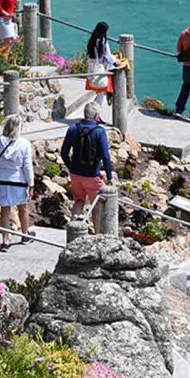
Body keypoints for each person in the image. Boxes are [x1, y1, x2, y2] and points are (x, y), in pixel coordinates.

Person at [61, 101, 112, 234]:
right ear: (96, 116)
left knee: (78, 201)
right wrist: (109, 177)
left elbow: (64, 152)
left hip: (75, 174)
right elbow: (106, 156)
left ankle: (72, 232)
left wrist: (70, 166)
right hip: (92, 175)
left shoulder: (73, 128)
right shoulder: (100, 132)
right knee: (96, 207)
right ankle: (97, 235)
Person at [0, 115, 35, 253]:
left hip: (1, 180)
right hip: (18, 180)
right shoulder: (24, 143)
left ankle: (5, 240)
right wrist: (31, 183)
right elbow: (27, 166)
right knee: (23, 207)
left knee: (5, 210)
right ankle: (25, 235)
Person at [84, 21, 115, 108]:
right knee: (103, 90)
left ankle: (94, 111)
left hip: (91, 69)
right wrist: (115, 60)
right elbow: (108, 55)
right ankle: (94, 112)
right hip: (100, 70)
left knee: (100, 92)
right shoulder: (103, 41)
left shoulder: (92, 39)